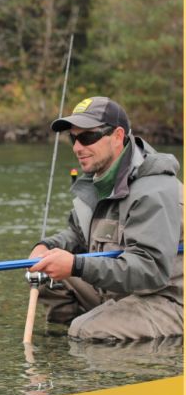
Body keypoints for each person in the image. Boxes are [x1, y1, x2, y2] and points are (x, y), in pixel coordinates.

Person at [28, 96, 183, 341]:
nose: (78, 147)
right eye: (73, 138)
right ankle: (65, 347)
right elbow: (79, 235)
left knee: (86, 330)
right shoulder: (98, 181)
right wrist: (47, 247)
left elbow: (150, 270)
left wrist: (76, 265)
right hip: (121, 292)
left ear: (118, 136)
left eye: (88, 137)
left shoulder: (154, 190)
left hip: (167, 299)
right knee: (47, 276)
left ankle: (94, 341)